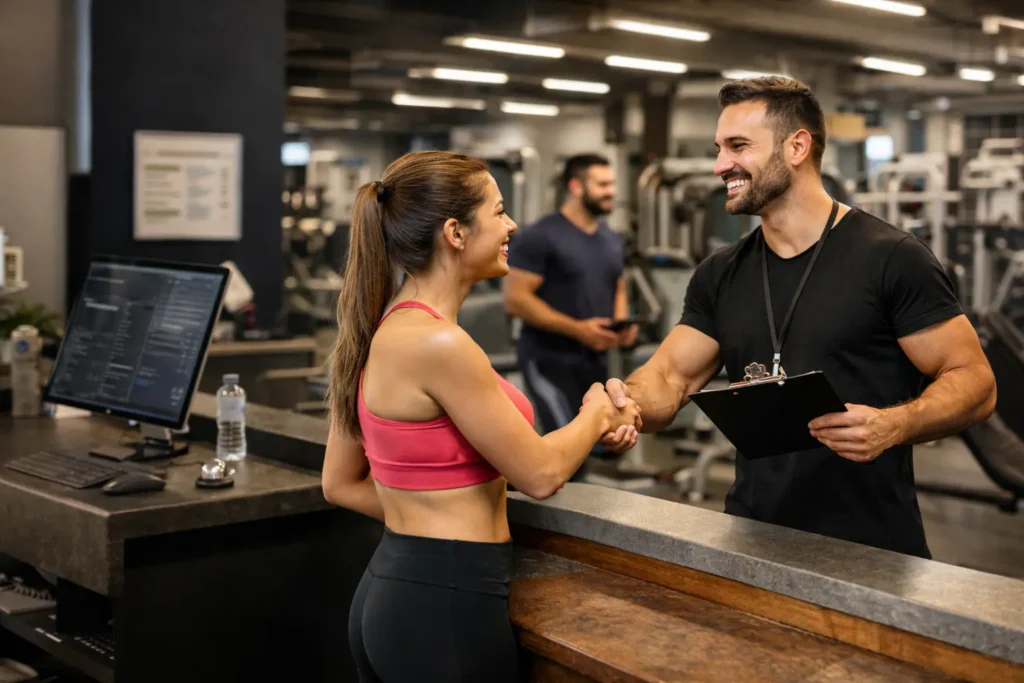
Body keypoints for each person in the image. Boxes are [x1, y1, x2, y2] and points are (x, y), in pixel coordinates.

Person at [593, 77, 996, 559]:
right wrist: (628, 405)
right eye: (719, 148)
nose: (721, 165)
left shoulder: (891, 259)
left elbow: (975, 381)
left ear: (797, 146)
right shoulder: (721, 273)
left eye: (738, 146)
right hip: (751, 537)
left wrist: (895, 424)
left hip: (871, 545)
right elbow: (669, 376)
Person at [320, 150, 641, 683]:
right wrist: (598, 412)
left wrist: (425, 517)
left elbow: (338, 483)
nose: (512, 224)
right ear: (456, 232)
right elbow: (540, 474)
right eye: (498, 211)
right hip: (443, 600)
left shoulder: (386, 330)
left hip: (396, 588)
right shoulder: (440, 343)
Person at [503, 153, 637, 474]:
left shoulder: (610, 238)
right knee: (567, 449)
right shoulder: (540, 236)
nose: (611, 192)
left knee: (601, 443)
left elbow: (617, 285)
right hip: (548, 360)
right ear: (576, 186)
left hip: (593, 361)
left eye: (612, 184)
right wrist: (578, 329)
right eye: (603, 184)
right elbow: (516, 300)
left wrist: (622, 323)